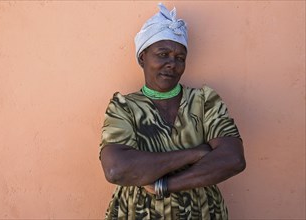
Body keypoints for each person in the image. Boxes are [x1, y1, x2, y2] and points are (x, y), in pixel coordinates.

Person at [99, 3, 246, 220]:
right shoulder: (123, 107)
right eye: (163, 54)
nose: (172, 64)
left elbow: (233, 159)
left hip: (202, 212)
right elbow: (117, 169)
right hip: (138, 213)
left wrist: (164, 185)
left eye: (179, 58)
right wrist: (196, 152)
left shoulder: (204, 101)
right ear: (142, 57)